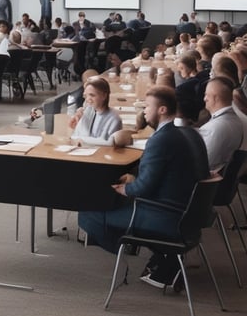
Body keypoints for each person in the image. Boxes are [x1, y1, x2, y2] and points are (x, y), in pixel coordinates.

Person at [78, 86, 209, 289]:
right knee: (113, 202)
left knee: (89, 213)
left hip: (166, 215)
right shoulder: (188, 134)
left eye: (147, 106)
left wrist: (127, 189)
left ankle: (127, 256)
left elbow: (144, 189)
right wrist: (134, 180)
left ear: (162, 110)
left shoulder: (160, 139)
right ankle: (166, 257)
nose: (144, 111)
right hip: (186, 214)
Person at [197, 76, 243, 172]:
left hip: (207, 182)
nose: (204, 99)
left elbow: (202, 164)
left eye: (207, 95)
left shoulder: (214, 128)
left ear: (215, 98)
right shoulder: (236, 121)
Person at [69, 77, 122, 145]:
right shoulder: (88, 112)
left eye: (92, 95)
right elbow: (74, 136)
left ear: (104, 96)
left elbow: (110, 143)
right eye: (86, 96)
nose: (88, 99)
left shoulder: (114, 119)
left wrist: (82, 140)